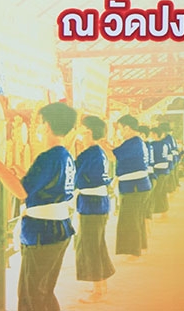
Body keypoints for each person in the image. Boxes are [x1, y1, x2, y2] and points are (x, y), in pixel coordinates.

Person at [0, 101, 76, 311]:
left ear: (47, 126)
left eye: (41, 123)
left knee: (31, 296)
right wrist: (24, 175)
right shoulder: (65, 155)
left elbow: (21, 192)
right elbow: (47, 186)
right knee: (43, 292)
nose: (39, 127)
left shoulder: (48, 157)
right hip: (59, 229)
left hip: (43, 232)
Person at [73, 115, 116, 303]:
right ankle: (101, 285)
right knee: (96, 244)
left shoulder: (90, 153)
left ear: (89, 132)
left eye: (82, 132)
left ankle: (98, 290)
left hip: (92, 203)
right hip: (96, 202)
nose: (80, 136)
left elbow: (74, 178)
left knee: (91, 246)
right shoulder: (98, 152)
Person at [111, 114, 151, 259]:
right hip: (138, 186)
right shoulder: (135, 142)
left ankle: (134, 251)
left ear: (127, 128)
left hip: (134, 187)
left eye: (120, 129)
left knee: (131, 220)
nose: (119, 132)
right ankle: (140, 247)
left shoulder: (133, 142)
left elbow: (113, 155)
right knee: (136, 218)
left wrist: (100, 144)